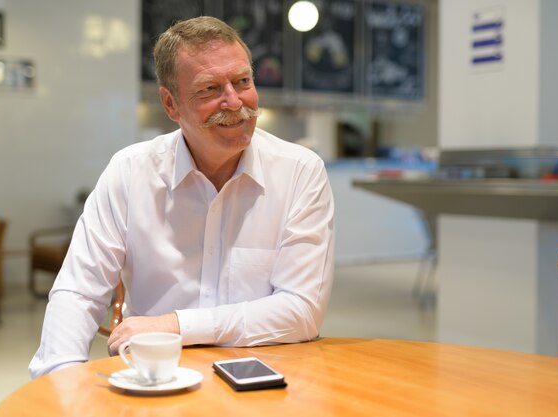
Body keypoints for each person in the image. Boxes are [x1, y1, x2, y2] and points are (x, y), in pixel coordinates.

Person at [29, 16, 335, 378]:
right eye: (209, 89)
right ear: (171, 104)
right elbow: (79, 292)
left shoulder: (300, 171)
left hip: (267, 376)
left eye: (243, 81)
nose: (235, 101)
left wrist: (176, 325)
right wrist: (61, 380)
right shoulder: (131, 171)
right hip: (156, 379)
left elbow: (300, 311)